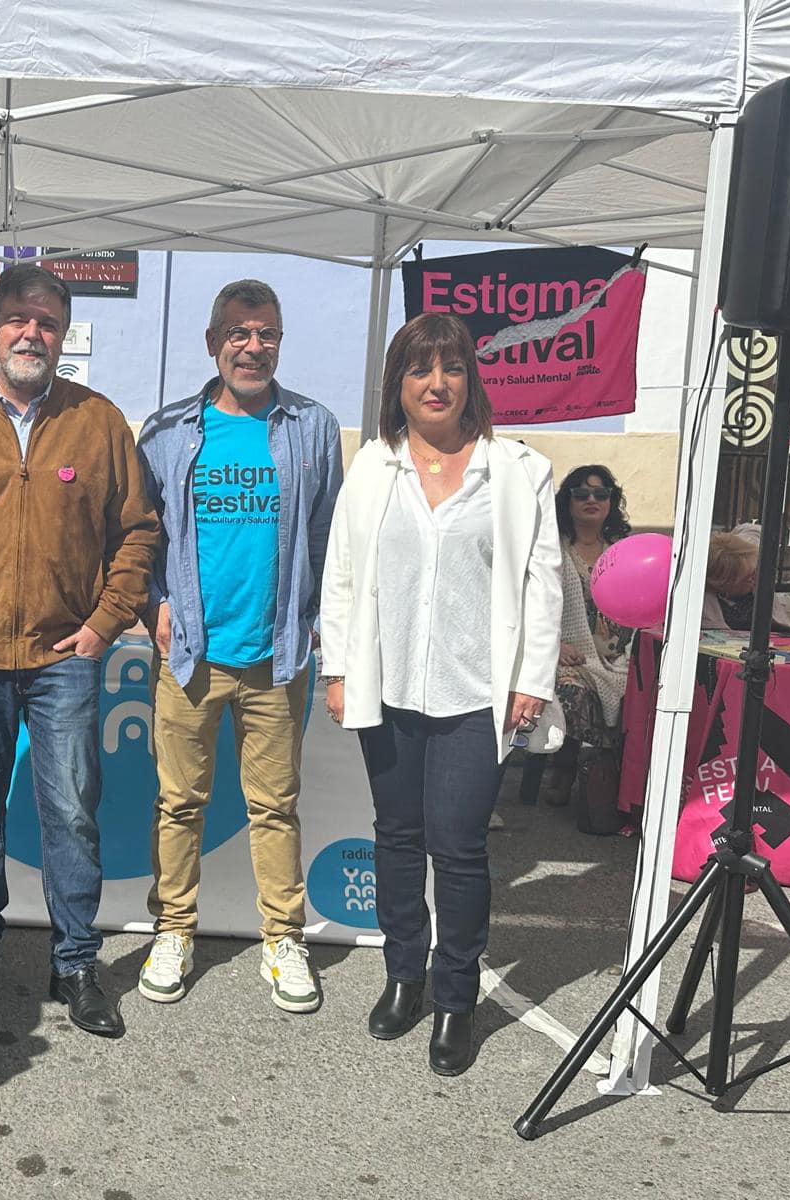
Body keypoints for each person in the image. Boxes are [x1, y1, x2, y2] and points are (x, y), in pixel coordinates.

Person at [0, 263, 158, 1038]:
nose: (30, 333)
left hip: (62, 661)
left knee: (71, 811)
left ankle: (76, 959)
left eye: (47, 321)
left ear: (64, 332)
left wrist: (105, 623)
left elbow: (138, 530)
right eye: (17, 317)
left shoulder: (99, 422)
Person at [320, 312, 563, 1076]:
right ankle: (404, 977)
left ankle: (455, 998)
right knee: (396, 839)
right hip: (387, 687)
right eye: (420, 370)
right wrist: (337, 669)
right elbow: (343, 571)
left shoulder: (517, 470)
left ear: (471, 381)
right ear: (398, 384)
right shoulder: (373, 467)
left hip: (476, 693)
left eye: (451, 368)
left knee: (457, 850)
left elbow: (544, 580)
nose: (436, 383)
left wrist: (532, 679)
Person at [135, 279, 342, 1011]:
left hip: (276, 657)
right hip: (189, 653)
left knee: (274, 806)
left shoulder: (313, 428)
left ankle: (283, 939)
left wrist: (321, 620)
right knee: (179, 803)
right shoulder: (166, 433)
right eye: (239, 332)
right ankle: (175, 929)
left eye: (268, 334)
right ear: (213, 341)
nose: (254, 347)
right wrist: (152, 603)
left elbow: (328, 537)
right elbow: (139, 538)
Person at [522, 465, 633, 806]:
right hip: (560, 651)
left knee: (638, 691)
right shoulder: (549, 549)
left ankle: (608, 780)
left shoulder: (623, 550)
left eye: (600, 494)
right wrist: (554, 645)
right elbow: (526, 604)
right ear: (566, 501)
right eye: (581, 493)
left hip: (617, 655)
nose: (591, 500)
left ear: (611, 502)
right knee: (574, 691)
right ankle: (567, 769)